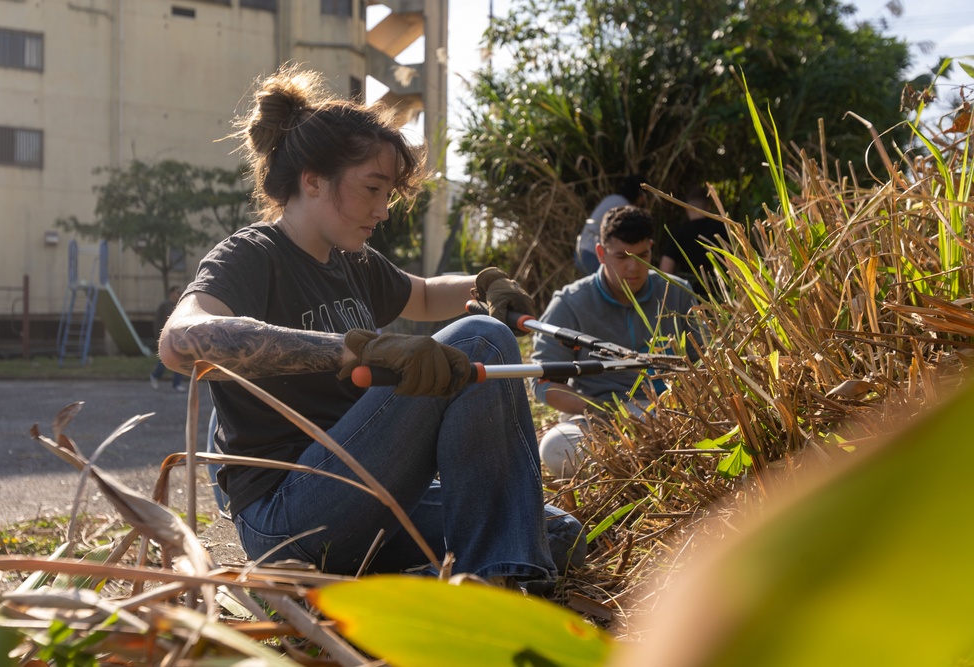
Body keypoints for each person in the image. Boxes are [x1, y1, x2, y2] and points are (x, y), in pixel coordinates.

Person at [158, 65, 585, 587]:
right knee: (482, 339)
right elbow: (182, 343)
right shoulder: (251, 255)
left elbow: (425, 293)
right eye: (373, 189)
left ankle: (442, 584)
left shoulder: (351, 261)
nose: (384, 211)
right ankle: (489, 591)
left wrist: (481, 282)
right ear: (312, 180)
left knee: (553, 533)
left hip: (366, 495)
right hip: (290, 510)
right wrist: (352, 351)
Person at [534, 205, 699, 478]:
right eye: (621, 256)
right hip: (598, 421)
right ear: (601, 254)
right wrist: (603, 411)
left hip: (671, 415)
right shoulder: (569, 304)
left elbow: (701, 362)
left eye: (643, 255)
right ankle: (648, 466)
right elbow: (541, 382)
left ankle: (645, 464)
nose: (633, 267)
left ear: (651, 248)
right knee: (555, 447)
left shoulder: (676, 292)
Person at [658, 186, 729, 299]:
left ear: (687, 209)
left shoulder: (678, 233)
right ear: (709, 207)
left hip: (689, 297)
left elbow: (666, 270)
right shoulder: (724, 230)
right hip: (723, 295)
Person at [575, 174, 648, 275]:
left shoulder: (612, 199)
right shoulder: (625, 208)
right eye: (645, 195)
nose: (645, 200)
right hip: (593, 254)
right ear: (639, 194)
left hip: (581, 252)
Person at [149, 285, 187, 391]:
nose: (179, 295)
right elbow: (157, 321)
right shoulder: (164, 306)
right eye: (177, 292)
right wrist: (158, 336)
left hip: (177, 338)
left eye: (181, 292)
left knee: (179, 360)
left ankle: (177, 384)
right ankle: (155, 375)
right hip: (165, 338)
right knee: (164, 360)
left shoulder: (180, 306)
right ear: (171, 293)